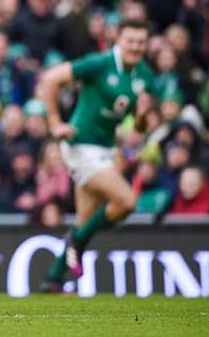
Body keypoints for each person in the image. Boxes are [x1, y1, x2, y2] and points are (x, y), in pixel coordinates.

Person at [38, 19, 156, 292]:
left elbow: (139, 128)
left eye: (141, 42)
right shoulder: (100, 63)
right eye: (130, 41)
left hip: (105, 149)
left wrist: (142, 118)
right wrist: (55, 122)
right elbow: (50, 78)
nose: (135, 47)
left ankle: (53, 279)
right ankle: (75, 240)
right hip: (80, 146)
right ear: (118, 40)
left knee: (85, 220)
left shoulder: (145, 76)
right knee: (126, 201)